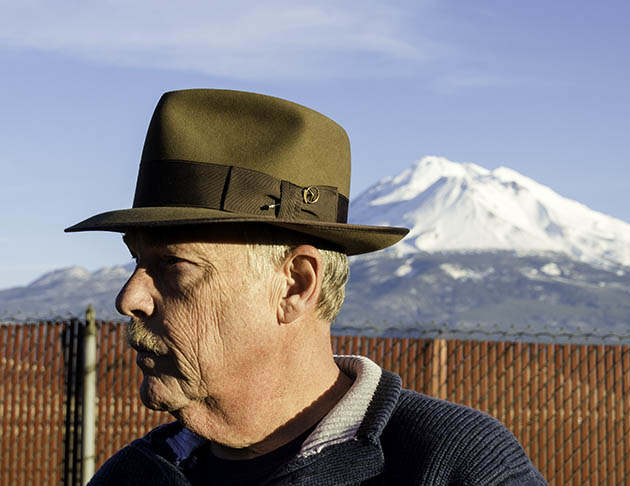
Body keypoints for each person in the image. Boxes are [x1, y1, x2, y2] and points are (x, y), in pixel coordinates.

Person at [66, 89, 546, 485]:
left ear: (295, 285)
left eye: (174, 266)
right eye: (136, 261)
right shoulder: (132, 477)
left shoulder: (451, 465)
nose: (129, 298)